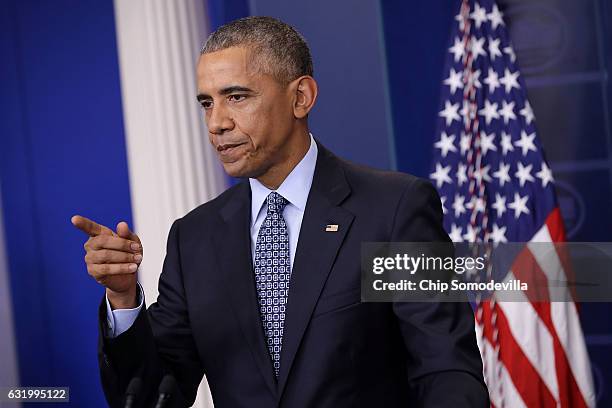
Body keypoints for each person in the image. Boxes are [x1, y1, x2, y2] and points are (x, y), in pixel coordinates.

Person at [73, 16, 488, 408]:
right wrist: (124, 297)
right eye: (206, 103)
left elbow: (446, 370)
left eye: (236, 97)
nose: (216, 122)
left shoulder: (394, 209)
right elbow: (150, 396)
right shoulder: (194, 237)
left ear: (300, 97)